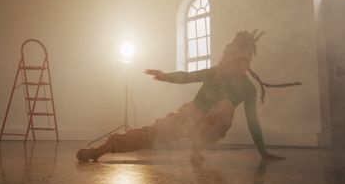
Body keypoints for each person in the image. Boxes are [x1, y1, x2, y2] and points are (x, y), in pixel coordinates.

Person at [76, 30, 297, 162]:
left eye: (247, 60)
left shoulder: (248, 88)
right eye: (238, 59)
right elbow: (187, 76)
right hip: (189, 117)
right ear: (229, 57)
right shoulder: (215, 73)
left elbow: (253, 122)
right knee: (151, 134)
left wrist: (263, 152)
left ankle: (197, 148)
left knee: (226, 105)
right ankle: (99, 150)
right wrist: (164, 76)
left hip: (211, 128)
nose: (243, 64)